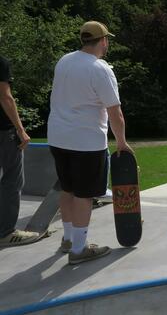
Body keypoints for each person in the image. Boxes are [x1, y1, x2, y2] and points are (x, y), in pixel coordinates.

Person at [48, 21, 132, 264]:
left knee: (68, 189)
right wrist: (122, 143)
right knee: (84, 196)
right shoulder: (100, 69)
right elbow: (115, 112)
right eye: (107, 41)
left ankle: (67, 239)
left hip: (57, 137)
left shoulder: (64, 60)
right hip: (86, 141)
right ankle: (79, 249)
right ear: (104, 41)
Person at [0, 43, 39, 247]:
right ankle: (6, 232)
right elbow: (5, 97)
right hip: (3, 132)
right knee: (12, 180)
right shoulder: (1, 62)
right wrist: (20, 129)